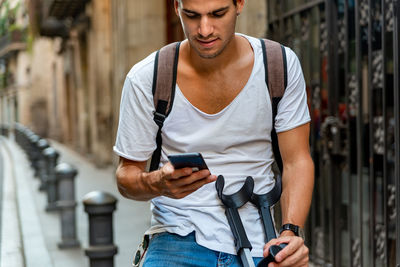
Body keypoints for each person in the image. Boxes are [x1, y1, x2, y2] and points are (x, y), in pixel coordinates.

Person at [114, 0, 314, 266]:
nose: (204, 29)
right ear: (177, 7)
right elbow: (126, 175)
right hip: (176, 238)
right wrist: (157, 183)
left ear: (239, 3)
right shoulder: (146, 78)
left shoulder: (279, 66)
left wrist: (290, 233)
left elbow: (297, 160)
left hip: (260, 242)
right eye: (192, 15)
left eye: (217, 14)